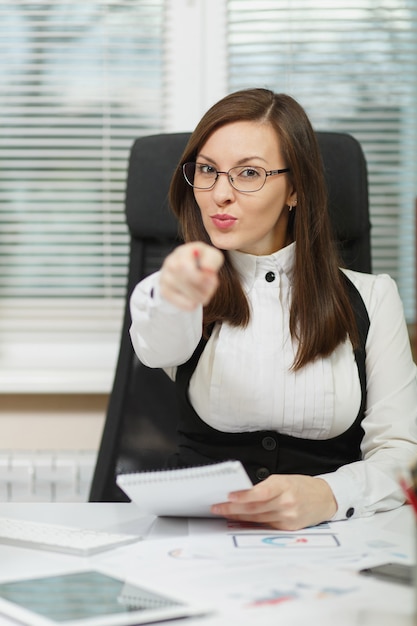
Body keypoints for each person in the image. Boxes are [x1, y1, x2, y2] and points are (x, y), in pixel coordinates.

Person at [129, 88, 417, 530]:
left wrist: (330, 494)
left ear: (295, 190)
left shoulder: (374, 299)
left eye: (248, 173)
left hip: (334, 540)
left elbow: (403, 457)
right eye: (208, 170)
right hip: (200, 542)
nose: (219, 194)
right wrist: (174, 291)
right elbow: (156, 342)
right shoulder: (181, 291)